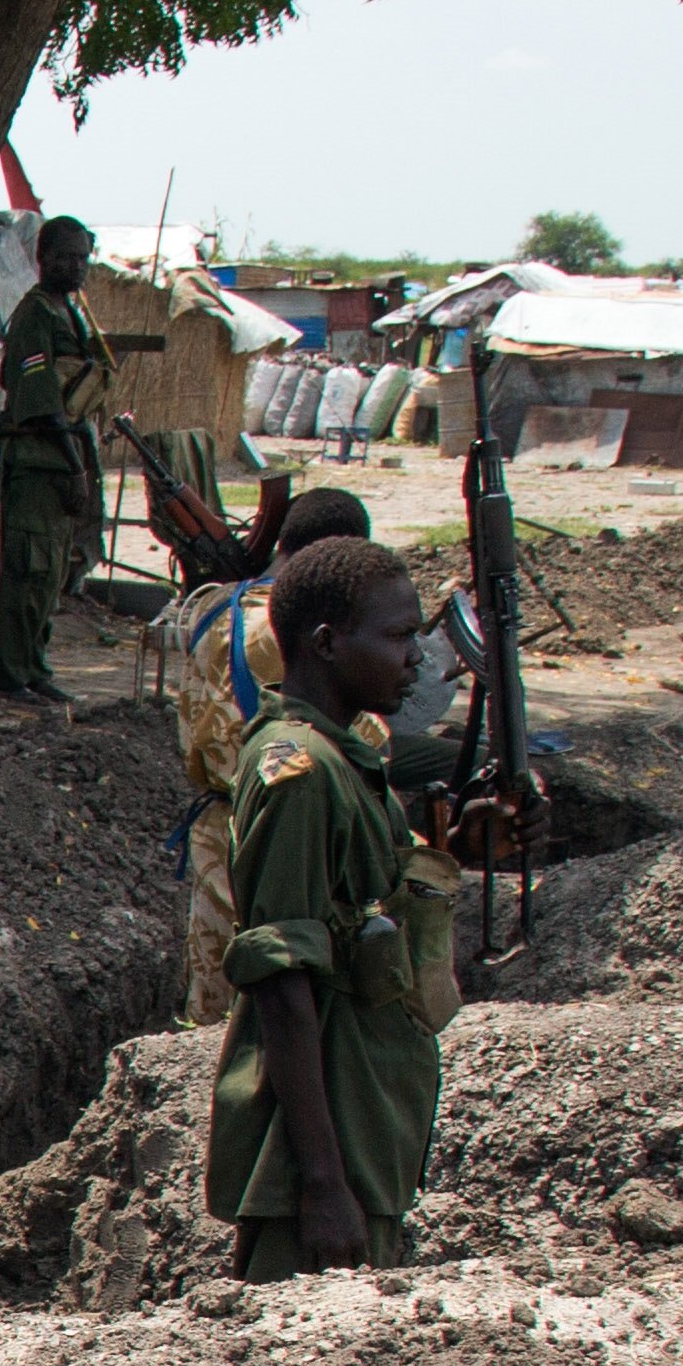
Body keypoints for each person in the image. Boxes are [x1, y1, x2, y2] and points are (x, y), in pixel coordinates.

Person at [205, 534, 454, 1280]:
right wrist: (321, 1184)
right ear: (326, 643)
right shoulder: (301, 774)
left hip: (366, 1124)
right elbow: (283, 980)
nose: (417, 659)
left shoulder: (343, 759)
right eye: (400, 636)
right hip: (324, 1149)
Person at [170, 483, 370, 1027]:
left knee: (209, 1020)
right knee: (290, 1010)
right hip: (288, 834)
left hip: (215, 828)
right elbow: (366, 750)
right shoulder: (307, 635)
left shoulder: (210, 607)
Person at [0, 212, 116, 701]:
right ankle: (10, 671)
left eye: (83, 257)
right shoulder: (36, 314)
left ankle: (35, 667)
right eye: (66, 257)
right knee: (28, 568)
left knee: (53, 572)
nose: (77, 266)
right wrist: (74, 464)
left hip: (62, 461)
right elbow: (40, 401)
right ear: (42, 259)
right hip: (40, 462)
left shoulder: (71, 313)